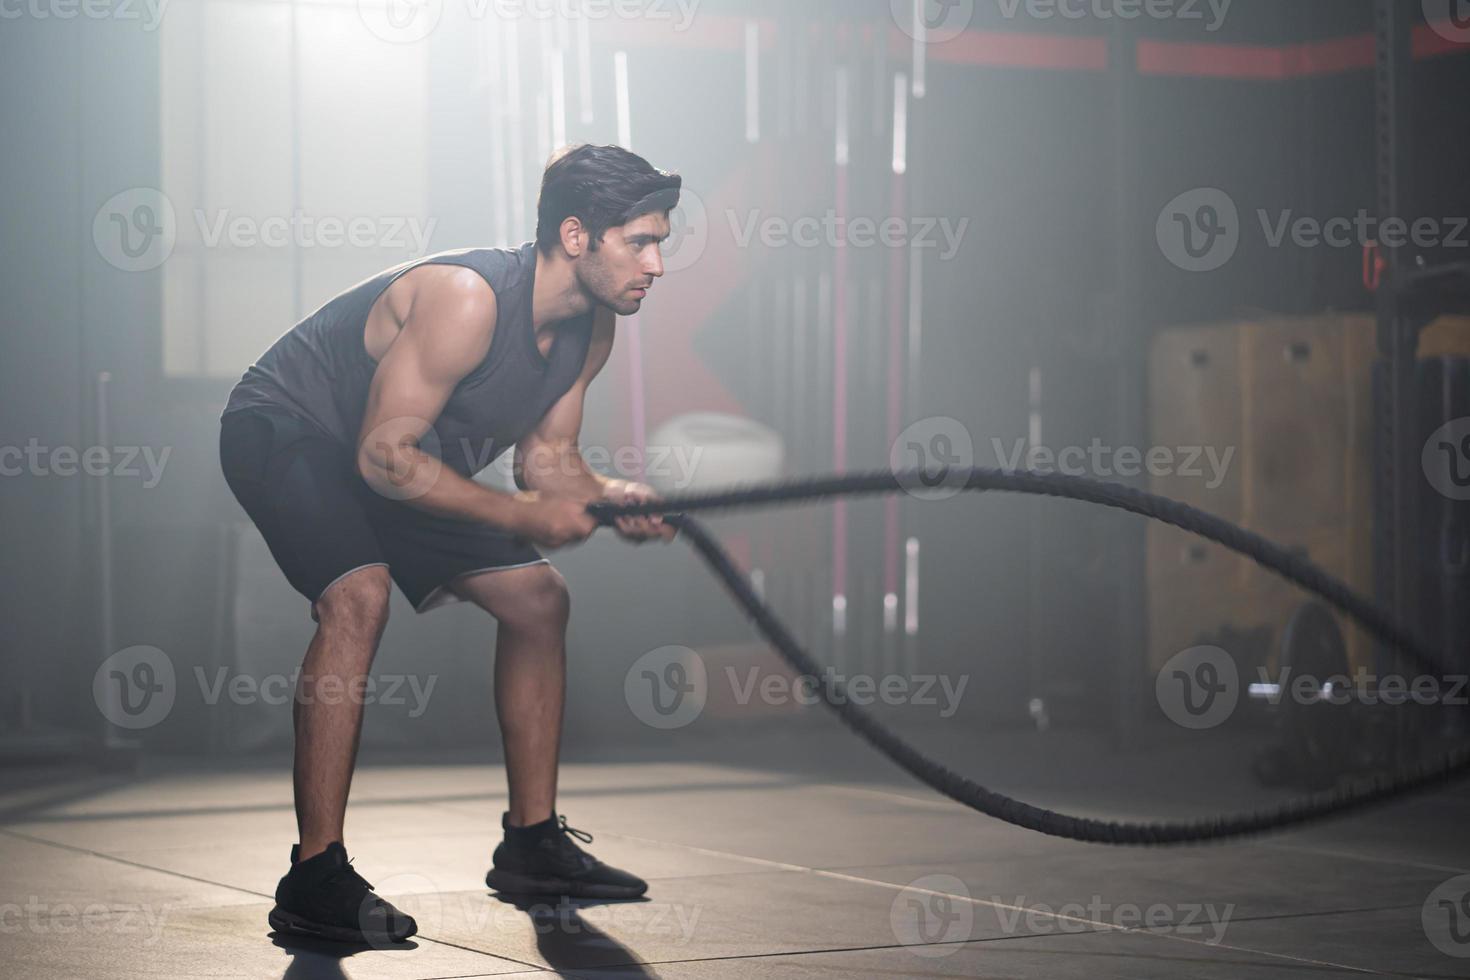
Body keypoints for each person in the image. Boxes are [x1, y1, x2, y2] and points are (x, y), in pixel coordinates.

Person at [217, 143, 681, 944]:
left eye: (660, 241)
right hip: (290, 429)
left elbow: (548, 462)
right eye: (640, 241)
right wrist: (523, 515)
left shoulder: (591, 328)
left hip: (398, 455)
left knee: (539, 599)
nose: (658, 263)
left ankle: (532, 844)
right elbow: (380, 457)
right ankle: (315, 873)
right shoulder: (469, 299)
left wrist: (611, 496)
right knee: (357, 598)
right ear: (576, 237)